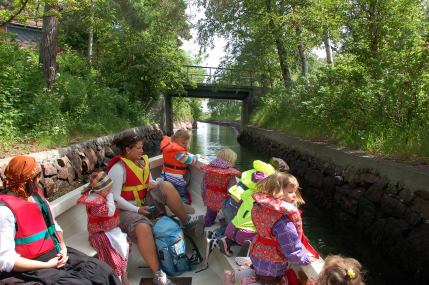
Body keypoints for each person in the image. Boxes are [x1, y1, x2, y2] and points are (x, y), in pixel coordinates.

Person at [0, 156, 120, 284]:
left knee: (102, 271)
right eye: (37, 177)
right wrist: (46, 265)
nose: (39, 180)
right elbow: (6, 260)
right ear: (31, 180)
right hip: (32, 268)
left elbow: (53, 225)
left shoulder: (36, 198)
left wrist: (63, 248)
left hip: (56, 254)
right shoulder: (5, 212)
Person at [107, 133, 204, 285]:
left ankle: (186, 220)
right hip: (125, 209)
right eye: (138, 148)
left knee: (165, 185)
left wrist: (153, 183)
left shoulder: (141, 162)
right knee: (143, 227)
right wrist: (137, 210)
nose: (142, 151)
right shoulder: (118, 169)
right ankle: (158, 274)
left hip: (145, 202)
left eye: (142, 148)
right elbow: (115, 198)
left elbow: (149, 180)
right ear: (127, 149)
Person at [234, 172, 317, 285]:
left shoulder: (260, 208)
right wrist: (305, 259)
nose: (294, 195)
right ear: (277, 192)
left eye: (295, 192)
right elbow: (292, 249)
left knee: (258, 275)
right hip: (272, 264)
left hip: (258, 254)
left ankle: (232, 275)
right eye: (290, 192)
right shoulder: (283, 222)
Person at [77, 171, 131, 284]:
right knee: (112, 254)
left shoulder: (103, 197)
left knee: (124, 245)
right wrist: (111, 196)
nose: (110, 192)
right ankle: (117, 277)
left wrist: (109, 195)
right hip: (99, 234)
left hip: (110, 230)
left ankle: (123, 273)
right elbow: (110, 212)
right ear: (100, 191)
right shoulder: (95, 205)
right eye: (108, 190)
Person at [217, 160, 276, 258]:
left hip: (229, 202)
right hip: (245, 233)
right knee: (259, 235)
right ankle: (247, 249)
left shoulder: (250, 179)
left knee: (235, 223)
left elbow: (239, 208)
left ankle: (226, 239)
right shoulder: (263, 200)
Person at [160, 129, 203, 204]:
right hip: (175, 178)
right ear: (176, 140)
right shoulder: (178, 153)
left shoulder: (169, 146)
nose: (185, 145)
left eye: (186, 143)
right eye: (183, 143)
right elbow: (191, 160)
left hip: (165, 175)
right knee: (182, 195)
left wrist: (184, 148)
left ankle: (169, 206)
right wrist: (197, 156)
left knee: (169, 194)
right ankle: (184, 208)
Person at [201, 148, 241, 228]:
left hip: (210, 197)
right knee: (224, 217)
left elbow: (203, 185)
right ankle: (224, 225)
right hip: (222, 200)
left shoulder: (209, 170)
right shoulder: (230, 173)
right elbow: (232, 189)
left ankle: (207, 222)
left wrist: (204, 196)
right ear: (230, 160)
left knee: (209, 214)